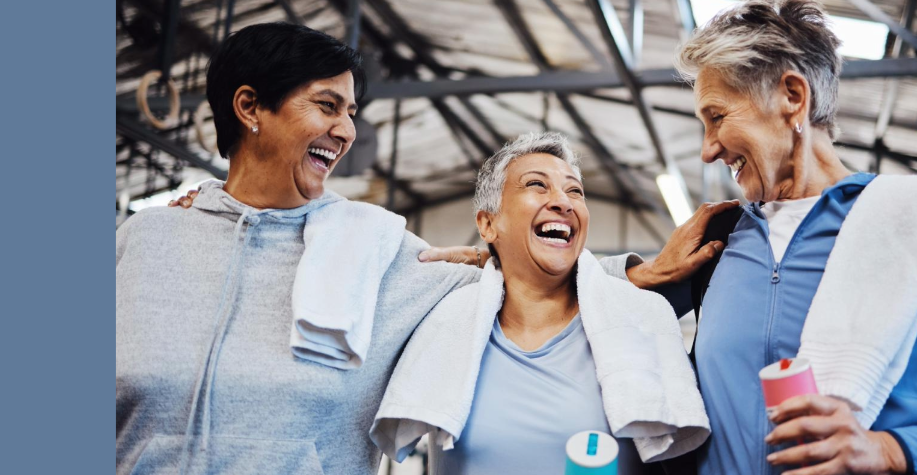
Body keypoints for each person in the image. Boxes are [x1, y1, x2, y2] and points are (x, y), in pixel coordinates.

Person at [117, 22, 722, 474]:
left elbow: (519, 276)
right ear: (249, 107)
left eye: (351, 112)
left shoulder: (376, 250)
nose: (347, 131)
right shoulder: (145, 241)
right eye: (326, 106)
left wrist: (640, 273)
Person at [671, 1, 917, 474]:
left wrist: (886, 451)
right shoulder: (716, 241)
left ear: (792, 97)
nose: (707, 150)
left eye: (717, 116)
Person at [370, 132, 712, 475]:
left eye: (574, 190)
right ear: (488, 224)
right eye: (537, 185)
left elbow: (683, 458)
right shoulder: (444, 321)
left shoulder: (641, 320)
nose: (563, 202)